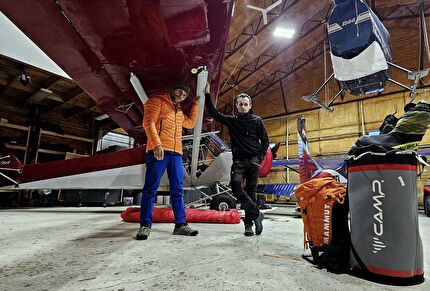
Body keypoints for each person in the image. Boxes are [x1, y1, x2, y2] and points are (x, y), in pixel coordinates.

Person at [136, 82, 199, 240]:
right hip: (159, 151)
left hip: (176, 153)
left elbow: (190, 123)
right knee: (151, 189)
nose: (181, 96)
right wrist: (157, 144)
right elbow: (148, 123)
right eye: (179, 91)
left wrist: (196, 104)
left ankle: (180, 224)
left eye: (184, 95)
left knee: (178, 189)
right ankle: (145, 225)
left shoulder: (178, 112)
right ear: (172, 89)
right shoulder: (156, 101)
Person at [204, 84, 269, 236]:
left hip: (253, 161)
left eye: (246, 104)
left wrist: (259, 158)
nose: (243, 106)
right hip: (239, 161)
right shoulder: (232, 121)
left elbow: (265, 141)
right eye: (240, 104)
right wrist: (207, 95)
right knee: (235, 186)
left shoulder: (257, 121)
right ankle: (257, 214)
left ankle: (248, 225)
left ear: (250, 106)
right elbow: (214, 113)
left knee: (250, 192)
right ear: (236, 106)